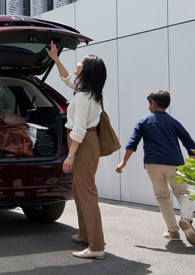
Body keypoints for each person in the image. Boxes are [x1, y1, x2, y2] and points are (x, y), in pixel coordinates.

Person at [46, 41, 107, 260]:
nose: (78, 63)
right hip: (88, 143)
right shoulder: (87, 91)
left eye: (81, 61)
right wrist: (55, 58)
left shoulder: (83, 96)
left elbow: (79, 130)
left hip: (83, 144)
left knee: (87, 192)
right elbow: (67, 79)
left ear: (87, 69)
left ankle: (97, 246)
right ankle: (85, 234)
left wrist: (70, 156)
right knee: (80, 191)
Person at [115, 90, 195, 245]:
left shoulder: (144, 121)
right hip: (174, 164)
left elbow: (132, 144)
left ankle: (173, 231)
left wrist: (123, 162)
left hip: (152, 164)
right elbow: (191, 145)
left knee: (162, 196)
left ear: (153, 103)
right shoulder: (173, 122)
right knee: (183, 193)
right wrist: (190, 164)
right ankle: (186, 219)